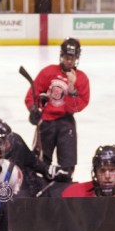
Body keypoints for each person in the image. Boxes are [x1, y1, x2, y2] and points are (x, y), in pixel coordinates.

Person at [24, 37, 90, 178]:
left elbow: (78, 106)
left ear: (77, 58)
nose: (69, 61)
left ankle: (63, 191)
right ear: (62, 56)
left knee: (67, 167)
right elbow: (31, 95)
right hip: (46, 122)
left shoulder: (81, 78)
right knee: (40, 163)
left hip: (66, 124)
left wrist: (72, 89)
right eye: (67, 57)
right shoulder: (48, 72)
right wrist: (33, 109)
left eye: (72, 58)